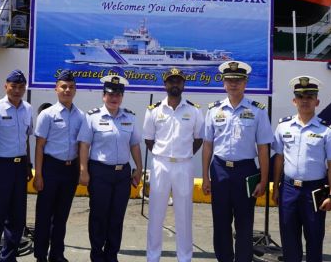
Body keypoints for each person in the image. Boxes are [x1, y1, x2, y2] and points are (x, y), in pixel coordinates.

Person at [201, 61, 273, 262]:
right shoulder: (214, 110)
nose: (233, 84)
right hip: (220, 170)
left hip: (246, 171)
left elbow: (263, 148)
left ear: (245, 83)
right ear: (224, 83)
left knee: (244, 223)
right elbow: (207, 146)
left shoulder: (257, 111)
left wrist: (263, 180)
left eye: (238, 80)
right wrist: (205, 177)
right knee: (221, 221)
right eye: (230, 80)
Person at [271, 76, 331, 262]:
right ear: (294, 101)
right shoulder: (283, 126)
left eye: (310, 97)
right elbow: (279, 158)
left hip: (315, 190)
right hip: (288, 189)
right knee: (289, 238)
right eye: (301, 97)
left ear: (317, 102)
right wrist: (276, 187)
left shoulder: (327, 130)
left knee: (314, 237)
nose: (305, 101)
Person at [78, 74, 143, 262]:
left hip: (122, 175)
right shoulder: (92, 117)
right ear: (103, 95)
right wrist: (83, 170)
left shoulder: (130, 117)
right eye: (110, 94)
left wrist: (139, 169)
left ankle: (111, 255)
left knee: (117, 217)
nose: (114, 98)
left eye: (118, 94)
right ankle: (97, 255)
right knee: (99, 216)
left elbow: (135, 145)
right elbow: (84, 145)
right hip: (100, 173)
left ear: (122, 97)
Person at [143, 67, 204, 262]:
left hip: (184, 165)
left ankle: (184, 258)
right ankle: (153, 257)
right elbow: (148, 139)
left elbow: (198, 139)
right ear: (165, 85)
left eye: (178, 81)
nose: (174, 84)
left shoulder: (194, 110)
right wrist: (163, 155)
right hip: (160, 165)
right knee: (155, 213)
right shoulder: (154, 110)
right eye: (171, 81)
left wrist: (183, 154)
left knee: (184, 214)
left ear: (183, 84)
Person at [33, 69, 86, 262]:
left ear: (75, 90)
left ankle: (57, 254)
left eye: (71, 87)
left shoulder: (81, 116)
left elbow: (81, 146)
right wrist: (39, 175)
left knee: (61, 216)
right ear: (56, 89)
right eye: (63, 86)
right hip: (51, 168)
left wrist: (81, 170)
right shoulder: (47, 115)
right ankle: (40, 255)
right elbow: (39, 146)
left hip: (70, 170)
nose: (67, 90)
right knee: (44, 215)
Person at [0, 69, 34, 262]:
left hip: (20, 168)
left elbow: (26, 139)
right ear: (6, 86)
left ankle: (9, 258)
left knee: (17, 217)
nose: (17, 90)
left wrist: (28, 165)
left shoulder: (27, 108)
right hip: (1, 167)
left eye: (21, 87)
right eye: (13, 86)